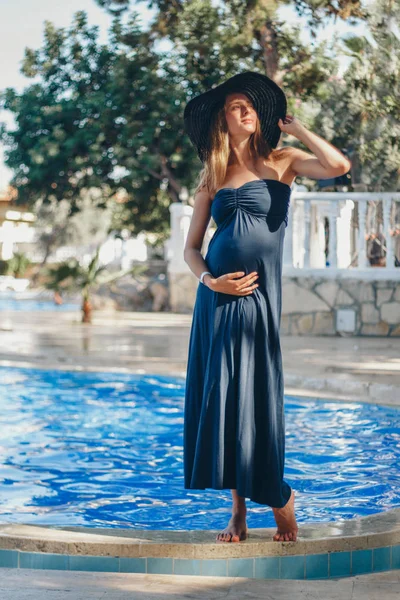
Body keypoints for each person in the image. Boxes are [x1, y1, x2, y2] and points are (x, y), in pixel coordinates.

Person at [182, 71, 351, 544]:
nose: (244, 110)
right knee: (226, 399)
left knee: (256, 397)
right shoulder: (212, 176)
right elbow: (191, 249)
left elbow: (338, 166)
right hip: (217, 301)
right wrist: (213, 282)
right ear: (223, 120)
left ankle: (280, 496)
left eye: (249, 105)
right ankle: (238, 511)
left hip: (257, 302)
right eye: (235, 107)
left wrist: (298, 130)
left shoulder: (284, 160)